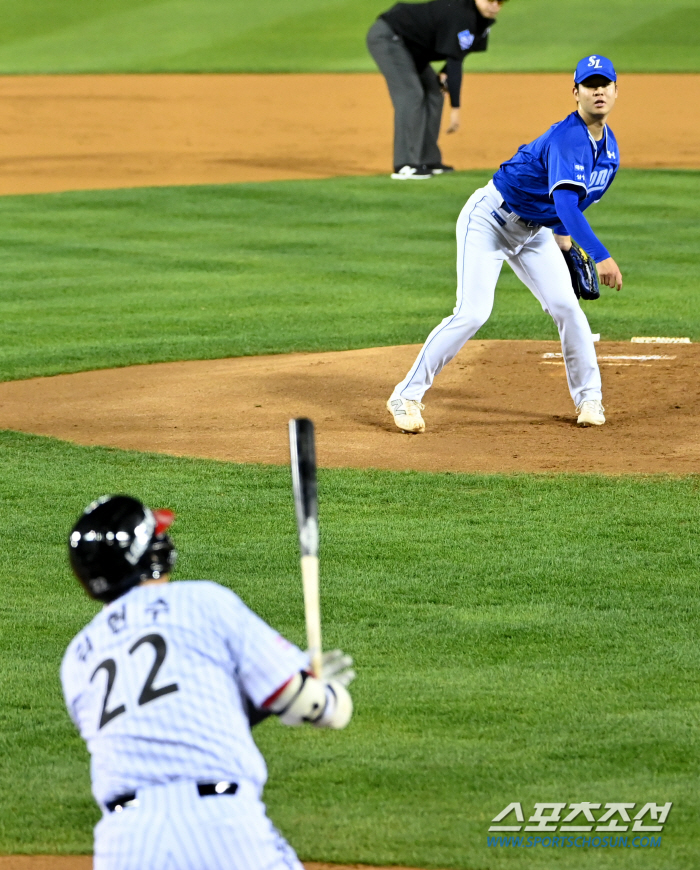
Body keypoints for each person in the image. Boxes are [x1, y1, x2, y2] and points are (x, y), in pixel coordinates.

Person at [61, 494, 355, 870]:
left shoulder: (77, 658)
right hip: (219, 830)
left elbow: (157, 720)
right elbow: (308, 704)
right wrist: (325, 696)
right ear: (154, 553)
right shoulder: (203, 602)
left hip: (125, 845)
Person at [386, 54, 622, 430]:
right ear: (575, 92)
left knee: (567, 309)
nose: (598, 91)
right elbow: (563, 201)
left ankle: (590, 399)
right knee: (472, 312)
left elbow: (568, 207)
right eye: (589, 84)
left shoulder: (609, 155)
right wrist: (600, 256)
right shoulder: (567, 138)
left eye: (604, 84)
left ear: (615, 90)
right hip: (490, 221)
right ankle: (406, 396)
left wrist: (563, 244)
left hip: (534, 234)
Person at [367, 0, 508, 179]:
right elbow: (455, 62)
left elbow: (458, 54)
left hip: (412, 48)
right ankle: (405, 164)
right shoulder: (461, 14)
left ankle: (428, 160)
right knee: (411, 95)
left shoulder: (481, 21)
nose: (495, 5)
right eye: (490, 0)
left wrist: (444, 72)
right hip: (390, 37)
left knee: (434, 91)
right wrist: (455, 109)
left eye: (500, 2)